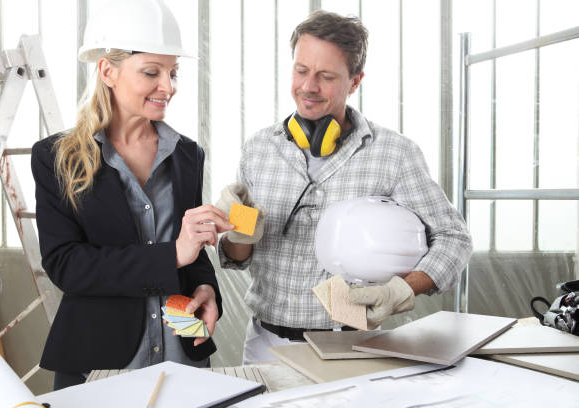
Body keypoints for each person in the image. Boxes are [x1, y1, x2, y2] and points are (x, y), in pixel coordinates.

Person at [216, 10, 473, 364]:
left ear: (355, 81)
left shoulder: (393, 153)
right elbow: (238, 257)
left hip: (352, 348)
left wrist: (400, 290)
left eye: (325, 76)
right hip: (265, 345)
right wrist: (238, 234)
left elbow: (453, 237)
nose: (308, 87)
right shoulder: (259, 149)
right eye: (301, 70)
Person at [31, 0, 233, 390]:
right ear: (108, 70)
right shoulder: (56, 158)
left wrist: (206, 289)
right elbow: (66, 265)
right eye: (151, 72)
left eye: (173, 73)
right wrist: (172, 254)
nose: (169, 87)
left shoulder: (188, 155)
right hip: (97, 364)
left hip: (182, 360)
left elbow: (193, 253)